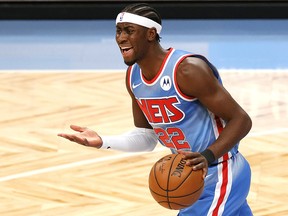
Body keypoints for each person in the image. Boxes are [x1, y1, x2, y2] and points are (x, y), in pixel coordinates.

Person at [58, 3, 253, 216]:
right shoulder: (133, 77)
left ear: (150, 34)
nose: (121, 38)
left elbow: (241, 120)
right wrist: (103, 141)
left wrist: (207, 156)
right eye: (118, 31)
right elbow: (147, 138)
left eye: (129, 31)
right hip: (191, 177)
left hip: (221, 171)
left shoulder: (187, 70)